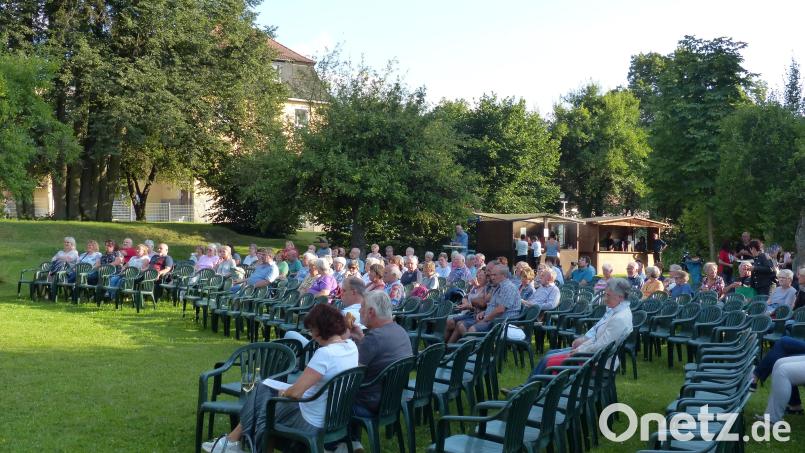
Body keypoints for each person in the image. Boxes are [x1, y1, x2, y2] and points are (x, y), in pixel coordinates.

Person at [202, 303, 359, 453]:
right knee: (264, 390)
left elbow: (295, 393)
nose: (311, 335)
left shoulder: (325, 354)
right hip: (334, 417)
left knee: (263, 401)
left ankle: (234, 442)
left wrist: (283, 392)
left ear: (320, 330)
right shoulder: (351, 347)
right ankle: (232, 441)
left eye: (311, 330)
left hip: (312, 420)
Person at [333, 291, 414, 452]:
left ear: (371, 312)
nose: (360, 311)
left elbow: (348, 373)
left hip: (369, 404)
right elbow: (378, 355)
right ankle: (353, 442)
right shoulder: (399, 331)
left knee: (331, 396)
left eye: (362, 307)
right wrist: (360, 337)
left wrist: (341, 340)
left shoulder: (375, 338)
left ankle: (334, 445)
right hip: (390, 401)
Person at [529, 278, 633, 376]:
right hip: (592, 356)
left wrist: (580, 350)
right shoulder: (616, 311)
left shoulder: (619, 318)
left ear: (620, 297)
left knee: (548, 360)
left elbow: (602, 346)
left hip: (596, 362)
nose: (605, 299)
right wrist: (582, 344)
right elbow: (598, 337)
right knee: (550, 354)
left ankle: (533, 391)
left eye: (608, 295)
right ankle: (531, 389)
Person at [467, 266, 522, 334]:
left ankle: (477, 344)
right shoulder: (498, 286)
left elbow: (500, 310)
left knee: (471, 329)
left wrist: (485, 319)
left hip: (503, 323)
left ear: (503, 275)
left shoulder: (508, 287)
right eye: (491, 275)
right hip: (494, 320)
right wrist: (484, 312)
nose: (492, 277)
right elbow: (494, 305)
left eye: (494, 275)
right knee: (462, 325)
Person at [445, 267, 490, 343]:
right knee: (450, 322)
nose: (478, 277)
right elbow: (465, 296)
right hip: (470, 312)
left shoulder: (487, 289)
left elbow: (483, 306)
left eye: (481, 275)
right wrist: (465, 302)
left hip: (476, 314)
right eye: (477, 275)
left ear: (487, 277)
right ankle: (444, 347)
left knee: (458, 325)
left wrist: (469, 306)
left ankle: (470, 346)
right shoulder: (475, 287)